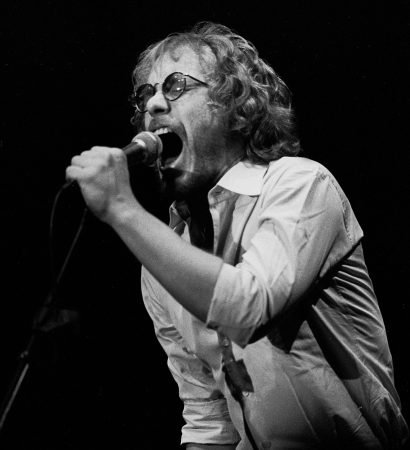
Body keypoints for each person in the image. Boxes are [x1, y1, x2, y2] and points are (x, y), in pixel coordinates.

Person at [66, 22, 408, 449]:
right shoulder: (163, 259)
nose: (153, 104)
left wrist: (121, 209)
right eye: (144, 94)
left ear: (235, 107)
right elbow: (207, 414)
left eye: (175, 86)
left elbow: (248, 306)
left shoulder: (300, 185)